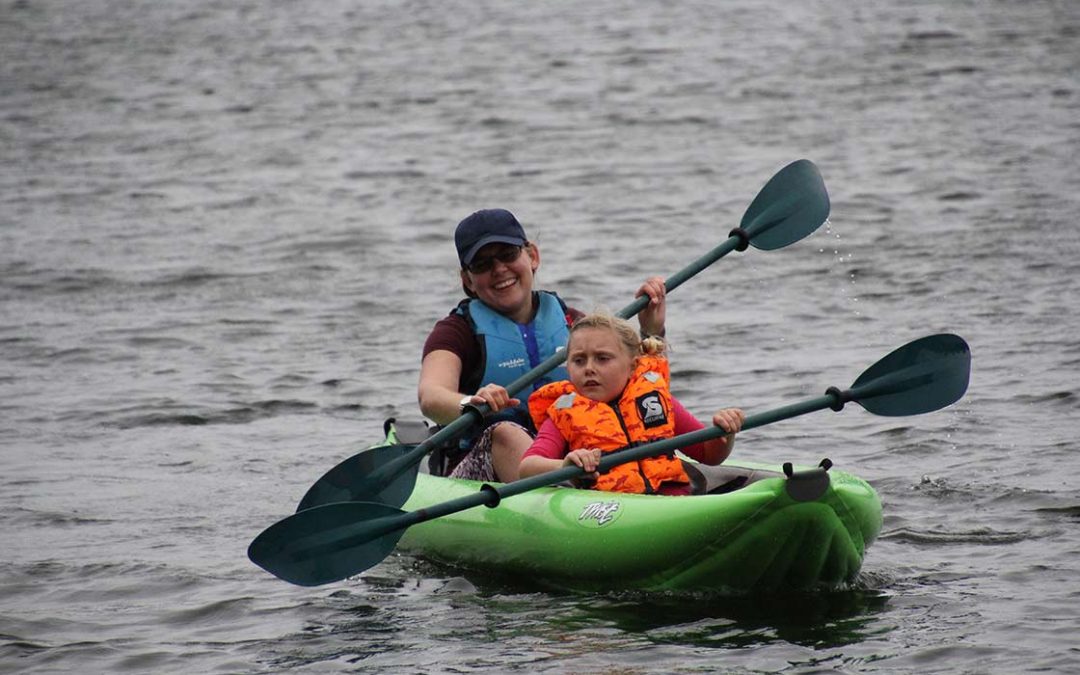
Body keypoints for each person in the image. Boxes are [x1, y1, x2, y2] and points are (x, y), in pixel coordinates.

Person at [418, 208, 667, 482]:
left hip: (573, 456)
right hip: (485, 470)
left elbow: (637, 384)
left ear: (532, 256)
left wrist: (651, 331)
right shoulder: (456, 332)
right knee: (505, 432)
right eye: (482, 264)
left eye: (508, 254)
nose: (499, 269)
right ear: (468, 280)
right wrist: (472, 402)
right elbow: (431, 397)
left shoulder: (572, 323)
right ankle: (579, 494)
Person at [520, 313, 745, 495]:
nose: (589, 368)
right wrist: (563, 468)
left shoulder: (654, 399)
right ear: (568, 368)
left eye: (602, 358)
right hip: (610, 511)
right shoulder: (564, 414)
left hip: (675, 502)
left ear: (632, 366)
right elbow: (527, 468)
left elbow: (710, 455)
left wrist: (726, 433)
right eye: (579, 360)